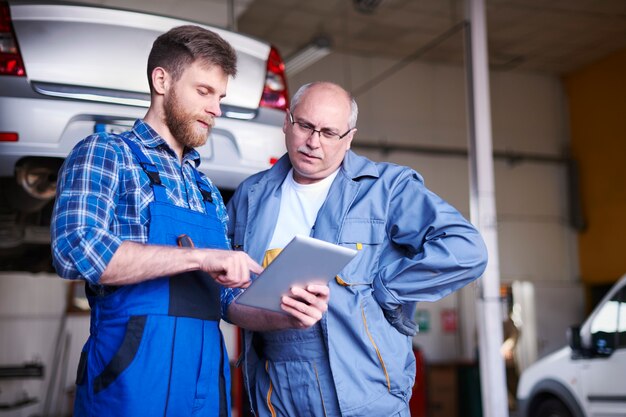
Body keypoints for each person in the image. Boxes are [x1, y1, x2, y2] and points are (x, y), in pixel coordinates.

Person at [51, 26, 328, 417]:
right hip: (130, 382)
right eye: (204, 92)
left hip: (204, 386)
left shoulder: (206, 190)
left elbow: (228, 301)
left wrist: (286, 314)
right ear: (161, 80)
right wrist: (199, 259)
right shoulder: (107, 154)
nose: (216, 109)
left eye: (220, 97)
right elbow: (76, 249)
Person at [225, 81, 489, 416]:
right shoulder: (251, 195)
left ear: (349, 138)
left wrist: (387, 289)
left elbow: (467, 249)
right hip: (274, 387)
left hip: (362, 386)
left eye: (329, 132)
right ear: (287, 122)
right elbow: (226, 285)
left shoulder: (386, 190)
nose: (313, 142)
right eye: (304, 125)